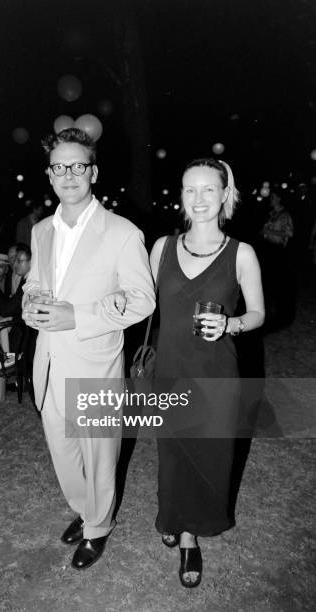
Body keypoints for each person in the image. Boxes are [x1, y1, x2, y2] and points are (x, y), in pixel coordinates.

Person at [22, 127, 155, 570]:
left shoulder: (121, 232)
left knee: (99, 454)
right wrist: (29, 304)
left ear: (93, 172)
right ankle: (85, 509)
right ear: (49, 174)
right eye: (60, 166)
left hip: (95, 362)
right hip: (49, 362)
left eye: (79, 165)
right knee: (63, 451)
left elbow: (142, 299)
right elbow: (35, 283)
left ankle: (98, 527)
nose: (69, 174)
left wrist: (76, 317)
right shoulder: (41, 231)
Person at [150, 158, 264, 588]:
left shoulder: (242, 253)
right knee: (174, 453)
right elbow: (140, 299)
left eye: (207, 190)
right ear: (181, 195)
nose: (198, 199)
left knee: (209, 456)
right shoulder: (162, 247)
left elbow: (257, 313)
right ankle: (177, 523)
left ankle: (189, 534)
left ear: (224, 195)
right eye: (189, 189)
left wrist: (232, 324)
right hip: (172, 369)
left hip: (217, 374)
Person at [260, 189, 294, 328]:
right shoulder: (271, 214)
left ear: (279, 199)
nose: (270, 199)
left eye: (273, 196)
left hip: (277, 252)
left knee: (273, 281)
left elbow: (289, 234)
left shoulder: (284, 215)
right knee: (265, 282)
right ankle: (265, 311)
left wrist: (268, 231)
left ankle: (276, 313)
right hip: (267, 249)